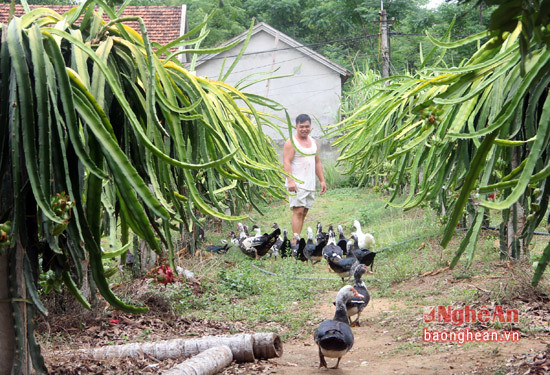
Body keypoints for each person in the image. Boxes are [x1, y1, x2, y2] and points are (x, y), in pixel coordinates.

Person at [283, 114, 327, 242]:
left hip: (310, 183)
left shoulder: (313, 142)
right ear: (296, 127)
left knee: (304, 212)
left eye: (306, 126)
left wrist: (322, 180)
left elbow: (317, 162)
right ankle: (294, 242)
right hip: (297, 183)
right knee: (298, 211)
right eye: (301, 126)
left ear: (310, 127)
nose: (304, 129)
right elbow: (286, 162)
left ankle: (297, 237)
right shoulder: (291, 142)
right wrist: (290, 180)